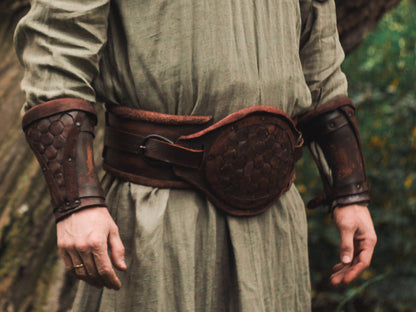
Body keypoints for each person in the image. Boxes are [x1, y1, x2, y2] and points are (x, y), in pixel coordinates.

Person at [15, 0, 377, 311]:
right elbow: (56, 48)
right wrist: (77, 202)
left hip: (274, 221)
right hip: (155, 214)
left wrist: (349, 190)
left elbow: (319, 49)